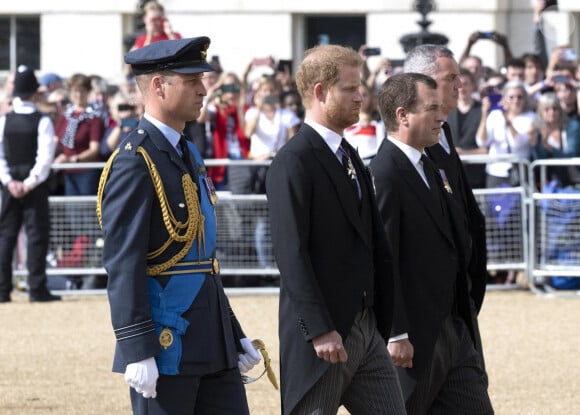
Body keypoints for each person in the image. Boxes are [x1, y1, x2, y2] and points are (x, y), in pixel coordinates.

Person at [97, 37, 262, 414]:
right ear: (158, 85)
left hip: (212, 340)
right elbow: (124, 264)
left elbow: (202, 260)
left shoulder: (186, 152)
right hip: (166, 343)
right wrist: (137, 349)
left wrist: (232, 333)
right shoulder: (135, 161)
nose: (204, 89)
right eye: (191, 81)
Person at [266, 44, 405, 415]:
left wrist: (381, 321)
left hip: (364, 327)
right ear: (320, 92)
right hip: (322, 337)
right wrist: (319, 328)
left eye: (359, 87)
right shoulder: (293, 161)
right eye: (349, 88)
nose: (361, 96)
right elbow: (291, 253)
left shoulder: (348, 156)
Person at [370, 71, 493, 415]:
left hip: (452, 327)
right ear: (402, 115)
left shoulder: (430, 164)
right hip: (416, 338)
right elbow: (384, 258)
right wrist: (395, 333)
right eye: (432, 108)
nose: (442, 117)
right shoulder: (387, 173)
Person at [401, 44, 492, 411]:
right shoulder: (407, 155)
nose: (460, 85)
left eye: (460, 77)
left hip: (457, 308)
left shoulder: (445, 134)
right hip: (429, 319)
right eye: (450, 78)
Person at [0, 65, 60, 302]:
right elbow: (45, 158)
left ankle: (2, 290)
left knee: (6, 236)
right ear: (34, 93)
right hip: (34, 186)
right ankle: (37, 289)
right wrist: (30, 182)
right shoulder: (42, 120)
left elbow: (1, 156)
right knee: (37, 236)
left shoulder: (4, 121)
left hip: (9, 184)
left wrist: (9, 181)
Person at [447, 68, 487, 189]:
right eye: (458, 85)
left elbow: (486, 149)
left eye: (465, 84)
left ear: (473, 86)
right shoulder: (446, 110)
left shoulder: (482, 110)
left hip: (477, 174)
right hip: (452, 173)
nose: (462, 89)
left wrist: (464, 153)